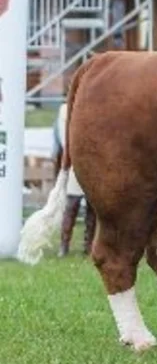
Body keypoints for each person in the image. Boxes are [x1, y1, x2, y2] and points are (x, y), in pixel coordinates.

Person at [52, 102, 95, 257]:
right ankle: (64, 245)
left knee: (93, 207)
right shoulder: (66, 109)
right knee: (72, 204)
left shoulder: (94, 108)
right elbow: (64, 140)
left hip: (93, 162)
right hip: (76, 161)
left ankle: (88, 245)